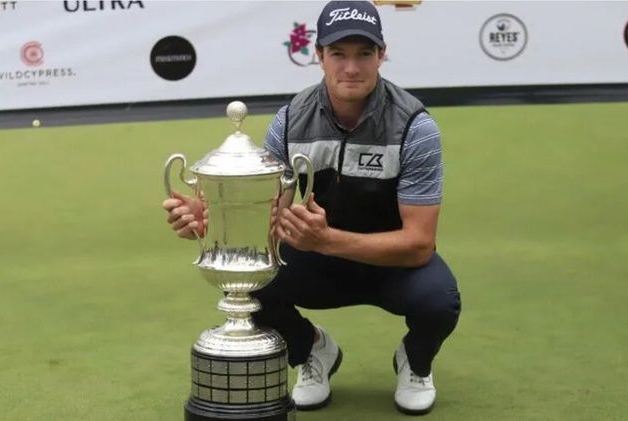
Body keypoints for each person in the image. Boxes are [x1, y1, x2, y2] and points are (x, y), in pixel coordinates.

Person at [163, 0, 460, 415]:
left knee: (438, 300)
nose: (351, 68)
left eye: (364, 54)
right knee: (252, 283)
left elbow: (419, 244)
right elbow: (268, 216)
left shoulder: (415, 126)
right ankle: (313, 351)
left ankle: (415, 361)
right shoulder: (289, 121)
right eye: (338, 54)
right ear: (318, 56)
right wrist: (210, 220)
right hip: (317, 260)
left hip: (393, 263)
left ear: (382, 54)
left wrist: (327, 239)